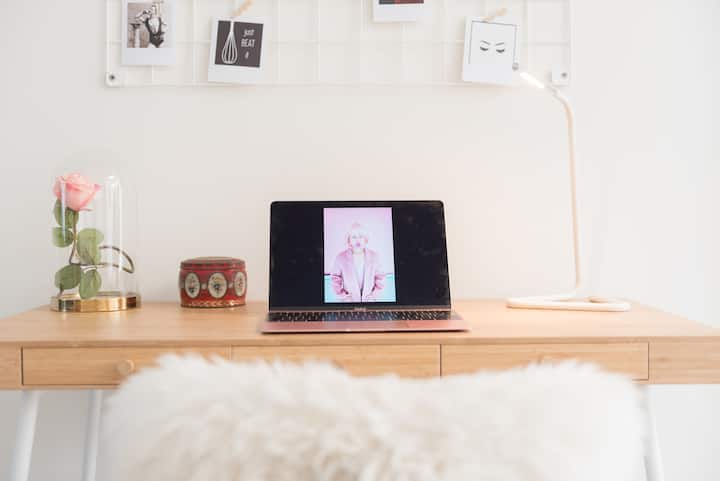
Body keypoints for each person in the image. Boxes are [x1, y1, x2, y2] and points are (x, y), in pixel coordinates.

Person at [330, 223, 386, 302]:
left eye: (361, 236)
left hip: (369, 303)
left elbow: (381, 278)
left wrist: (373, 296)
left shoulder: (374, 256)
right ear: (349, 240)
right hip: (349, 303)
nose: (357, 240)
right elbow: (334, 279)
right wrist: (344, 297)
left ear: (365, 239)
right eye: (354, 237)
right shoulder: (340, 257)